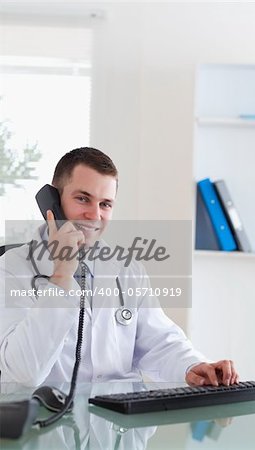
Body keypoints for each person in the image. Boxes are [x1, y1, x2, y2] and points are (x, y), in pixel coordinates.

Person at [0, 147, 239, 387]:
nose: (94, 215)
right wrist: (62, 275)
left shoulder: (126, 269)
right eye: (83, 198)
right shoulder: (12, 269)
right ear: (53, 203)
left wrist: (193, 365)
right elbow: (24, 373)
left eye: (105, 204)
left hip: (120, 419)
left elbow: (159, 340)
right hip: (47, 419)